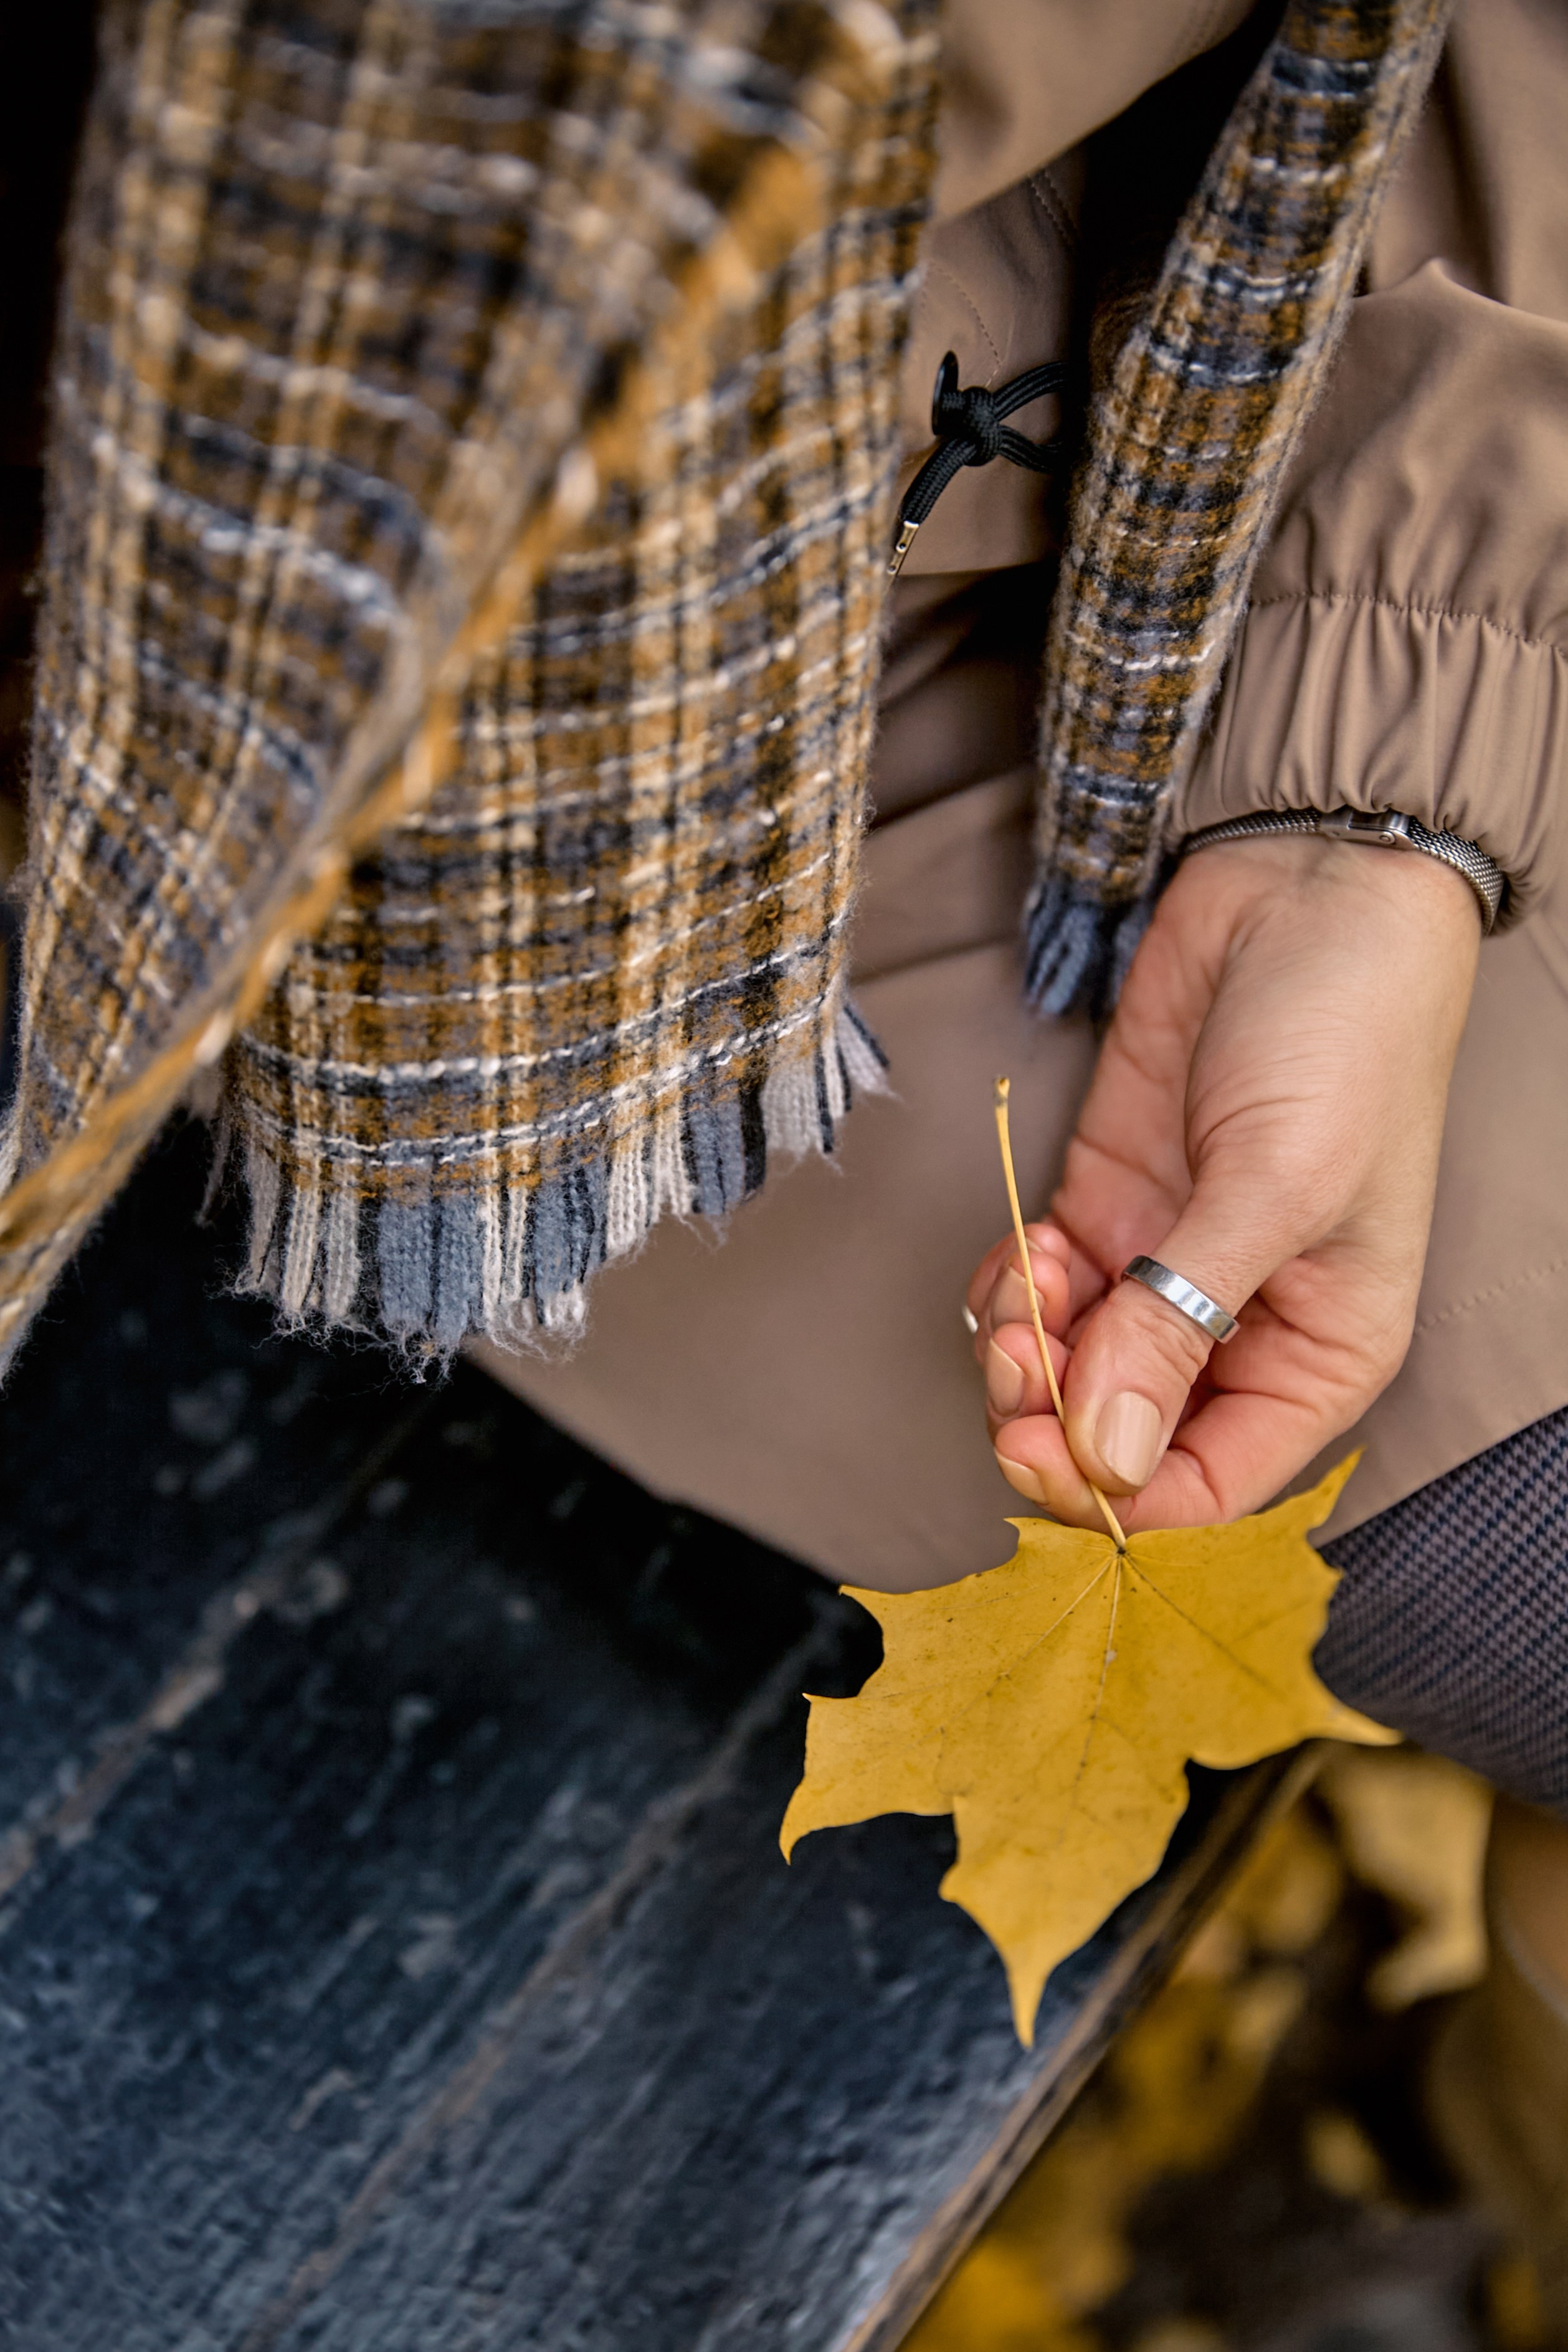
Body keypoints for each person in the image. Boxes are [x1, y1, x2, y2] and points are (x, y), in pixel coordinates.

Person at [3, 0, 1566, 2321]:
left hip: (1374, 473)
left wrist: (1398, 792)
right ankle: (1426, 2143)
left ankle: (1442, 2147)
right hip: (652, 874)